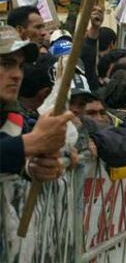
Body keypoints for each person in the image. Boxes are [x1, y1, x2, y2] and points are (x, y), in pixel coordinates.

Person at [0, 25, 73, 181]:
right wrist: (32, 142)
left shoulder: (14, 119)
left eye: (20, 66)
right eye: (6, 64)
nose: (17, 75)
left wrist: (32, 168)